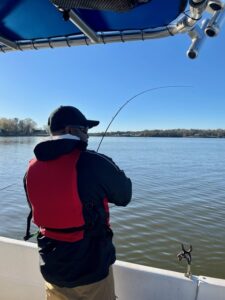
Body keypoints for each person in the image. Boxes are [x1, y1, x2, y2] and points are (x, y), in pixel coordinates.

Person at [23, 105, 132, 300]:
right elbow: (124, 196)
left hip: (52, 266)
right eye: (85, 130)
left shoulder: (30, 169)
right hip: (92, 269)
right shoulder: (96, 162)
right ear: (70, 130)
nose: (88, 136)